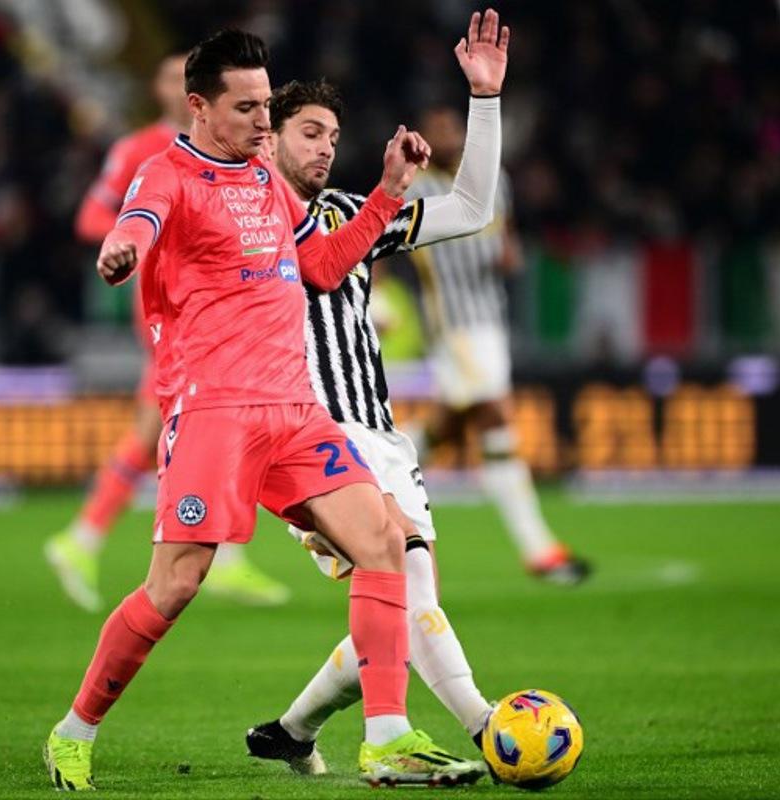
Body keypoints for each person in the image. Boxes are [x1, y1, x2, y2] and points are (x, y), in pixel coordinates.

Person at [43, 29, 483, 790]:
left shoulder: (264, 182)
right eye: (245, 107)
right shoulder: (168, 173)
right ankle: (74, 730)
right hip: (213, 411)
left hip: (295, 412)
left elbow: (320, 265)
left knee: (387, 539)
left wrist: (385, 194)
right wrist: (121, 247)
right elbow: (138, 221)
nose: (260, 120)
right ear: (198, 106)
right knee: (176, 585)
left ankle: (387, 738)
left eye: (264, 104)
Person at [245, 9, 511, 775]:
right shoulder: (254, 214)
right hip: (311, 436)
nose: (326, 147)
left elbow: (470, 209)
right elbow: (315, 270)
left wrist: (484, 99)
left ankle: (291, 731)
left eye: (333, 136)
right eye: (309, 133)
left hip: (380, 434)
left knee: (397, 594)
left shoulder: (348, 216)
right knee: (408, 581)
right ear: (270, 139)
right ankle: (485, 729)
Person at [44, 51, 291, 611]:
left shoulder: (247, 154)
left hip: (232, 306)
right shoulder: (141, 151)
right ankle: (97, 538)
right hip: (178, 306)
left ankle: (89, 538)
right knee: (195, 418)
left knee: (168, 425)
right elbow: (90, 219)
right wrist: (150, 232)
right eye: (169, 79)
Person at [406, 107, 590, 584]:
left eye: (455, 127)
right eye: (439, 130)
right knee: (495, 416)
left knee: (450, 428)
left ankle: (380, 465)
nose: (450, 136)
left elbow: (505, 238)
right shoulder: (416, 187)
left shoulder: (496, 179)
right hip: (455, 325)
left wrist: (511, 254)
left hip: (491, 322)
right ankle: (539, 548)